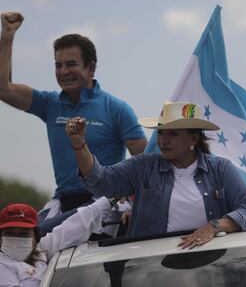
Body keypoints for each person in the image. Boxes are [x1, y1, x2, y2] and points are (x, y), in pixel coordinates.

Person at [0, 12, 147, 218]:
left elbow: (146, 164)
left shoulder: (117, 109)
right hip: (63, 201)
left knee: (41, 238)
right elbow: (4, 89)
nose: (63, 71)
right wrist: (7, 35)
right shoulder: (50, 104)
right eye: (58, 65)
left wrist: (135, 206)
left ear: (91, 68)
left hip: (104, 202)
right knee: (18, 235)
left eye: (71, 64)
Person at [66, 101, 246, 249]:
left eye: (172, 134)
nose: (162, 140)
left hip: (208, 265)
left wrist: (214, 226)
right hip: (149, 265)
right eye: (160, 133)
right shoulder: (142, 166)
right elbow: (100, 182)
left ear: (193, 138)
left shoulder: (221, 169)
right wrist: (79, 144)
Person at [0, 197, 112, 286]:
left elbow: (71, 228)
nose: (17, 239)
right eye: (10, 233)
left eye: (24, 234)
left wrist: (110, 201)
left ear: (36, 237)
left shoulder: (40, 250)